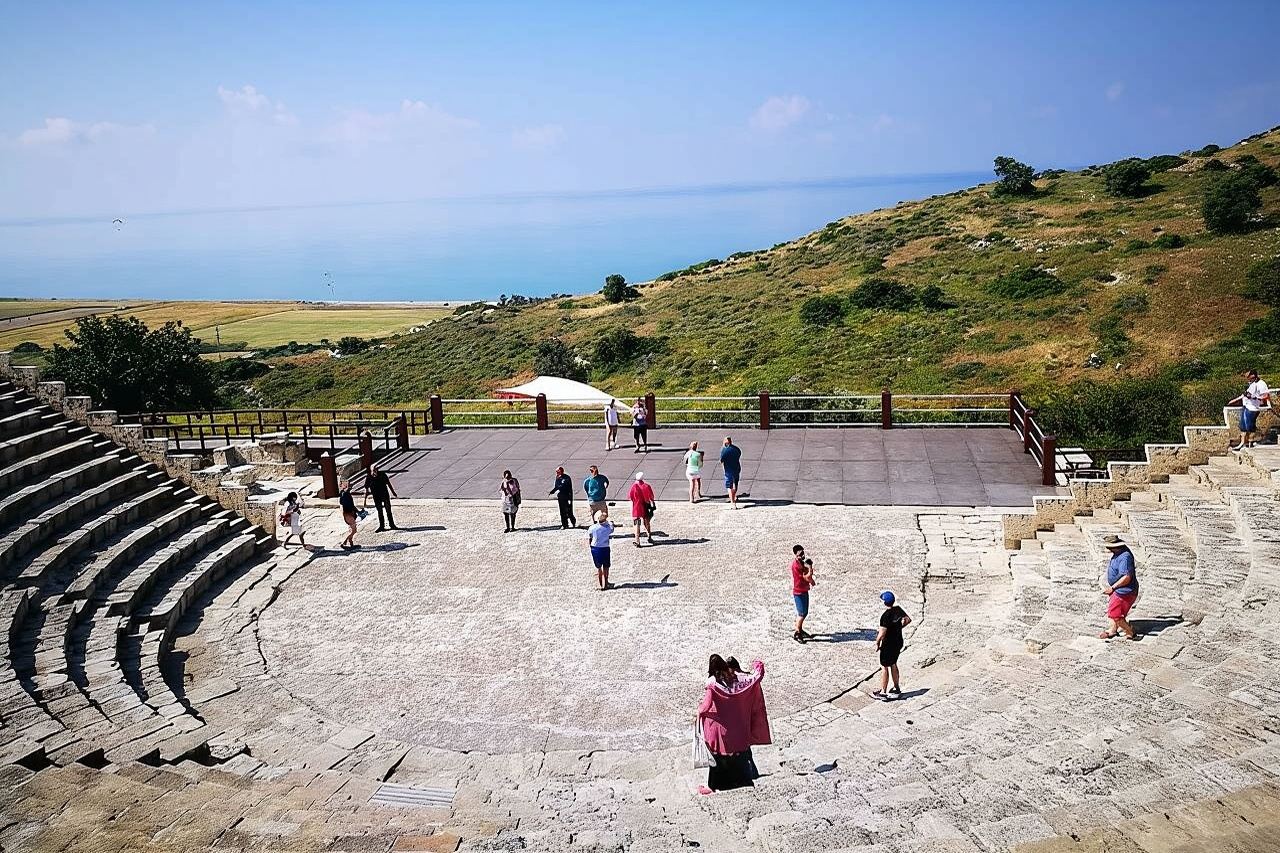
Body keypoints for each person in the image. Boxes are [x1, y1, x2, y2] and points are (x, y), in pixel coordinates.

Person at [695, 655, 770, 794]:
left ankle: (712, 787)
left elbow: (705, 706)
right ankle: (745, 780)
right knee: (740, 756)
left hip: (720, 731)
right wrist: (757, 664)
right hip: (739, 729)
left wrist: (697, 712)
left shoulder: (712, 683)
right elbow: (757, 675)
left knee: (717, 760)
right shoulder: (739, 679)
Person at [724, 657, 760, 779]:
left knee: (741, 751)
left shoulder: (732, 680)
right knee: (746, 750)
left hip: (735, 720)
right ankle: (753, 773)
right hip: (745, 718)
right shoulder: (745, 678)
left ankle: (749, 775)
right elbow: (758, 675)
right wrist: (757, 664)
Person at [873, 591, 912, 700]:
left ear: (885, 603)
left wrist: (877, 643)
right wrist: (898, 627)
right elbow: (908, 620)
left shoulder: (885, 616)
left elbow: (881, 634)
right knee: (893, 663)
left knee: (884, 667)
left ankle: (883, 692)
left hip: (888, 644)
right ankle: (896, 688)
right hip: (898, 641)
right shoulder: (898, 609)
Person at [1100, 534, 1139, 640]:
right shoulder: (1120, 552)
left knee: (1116, 615)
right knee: (1113, 612)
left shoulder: (1125, 557)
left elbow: (1127, 577)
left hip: (1124, 591)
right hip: (1119, 590)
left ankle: (1129, 631)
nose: (1107, 548)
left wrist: (1112, 588)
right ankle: (1112, 630)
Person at [1229, 369, 1271, 451]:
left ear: (1253, 376)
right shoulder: (1252, 384)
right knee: (1243, 426)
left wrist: (1255, 398)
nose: (1247, 379)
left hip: (1253, 408)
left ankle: (1251, 442)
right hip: (1246, 406)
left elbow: (1266, 395)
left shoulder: (1261, 384)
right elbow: (1245, 394)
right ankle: (1243, 443)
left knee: (1250, 426)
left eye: (1249, 377)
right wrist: (1234, 400)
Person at [789, 545, 815, 643]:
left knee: (805, 612)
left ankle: (800, 630)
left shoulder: (800, 563)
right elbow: (806, 577)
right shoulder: (796, 565)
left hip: (803, 590)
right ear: (795, 555)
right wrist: (810, 569)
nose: (802, 555)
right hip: (799, 592)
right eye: (800, 554)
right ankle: (797, 633)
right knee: (801, 614)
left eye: (803, 553)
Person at [362, 463, 399, 531]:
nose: (375, 471)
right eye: (374, 469)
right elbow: (366, 488)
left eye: (376, 469)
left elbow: (388, 483)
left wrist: (393, 492)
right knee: (380, 511)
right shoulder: (369, 477)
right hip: (376, 497)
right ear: (371, 470)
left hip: (385, 495)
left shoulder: (382, 474)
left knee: (388, 510)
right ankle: (382, 526)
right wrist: (365, 500)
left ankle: (392, 524)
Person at [587, 509, 615, 590]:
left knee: (599, 567)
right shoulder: (608, 528)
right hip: (605, 547)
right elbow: (612, 528)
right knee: (606, 567)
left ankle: (600, 585)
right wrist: (609, 522)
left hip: (595, 548)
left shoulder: (592, 528)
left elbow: (590, 537)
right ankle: (606, 583)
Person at [628, 472, 656, 547]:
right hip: (645, 506)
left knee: (637, 523)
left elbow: (630, 497)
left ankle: (637, 540)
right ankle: (649, 536)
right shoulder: (647, 486)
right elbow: (651, 497)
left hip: (637, 507)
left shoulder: (634, 487)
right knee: (646, 522)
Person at [720, 437, 742, 508]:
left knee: (729, 486)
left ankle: (733, 502)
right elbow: (739, 455)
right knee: (736, 483)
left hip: (728, 470)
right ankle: (734, 495)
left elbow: (721, 460)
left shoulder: (724, 450)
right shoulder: (736, 449)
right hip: (736, 468)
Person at [338, 478, 358, 549]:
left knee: (351, 529)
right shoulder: (345, 494)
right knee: (353, 530)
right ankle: (343, 542)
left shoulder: (344, 493)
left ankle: (351, 543)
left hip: (348, 513)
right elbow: (348, 505)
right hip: (348, 513)